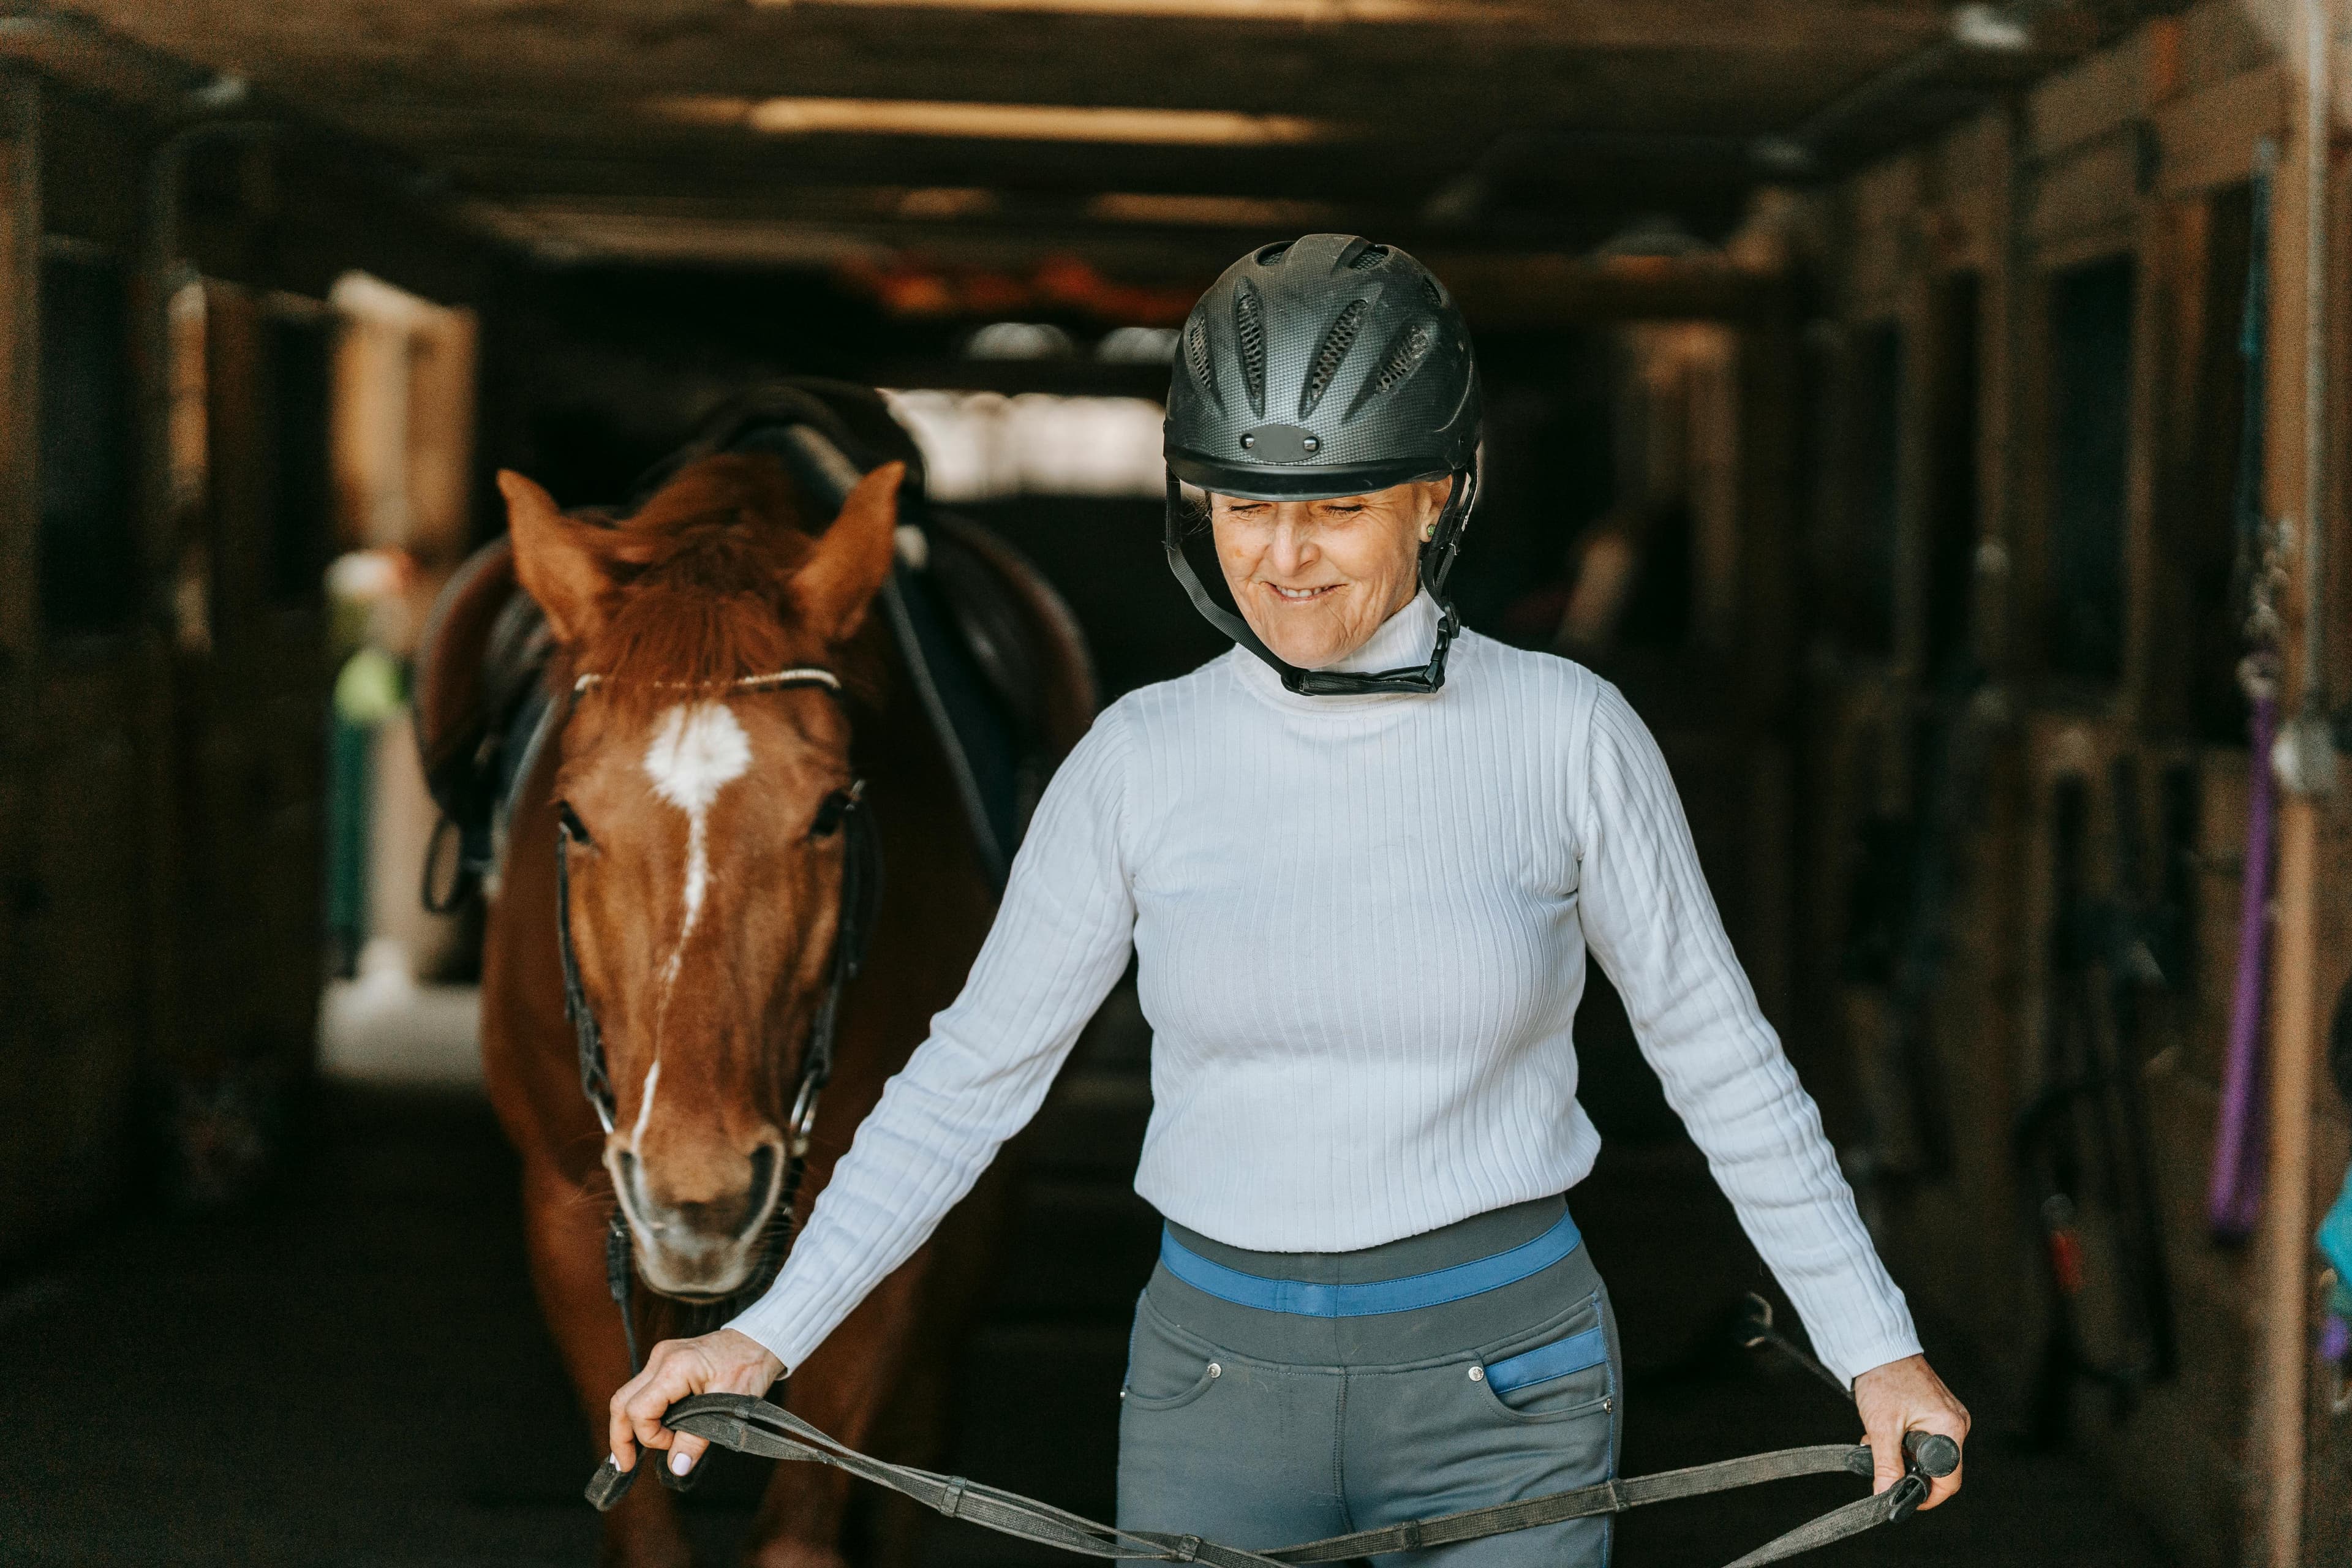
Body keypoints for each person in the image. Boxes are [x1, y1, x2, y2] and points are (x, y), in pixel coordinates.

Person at [606, 234, 1968, 1564]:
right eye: (1246, 504)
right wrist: (763, 1330)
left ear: (1440, 492)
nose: (1286, 558)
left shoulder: (1570, 732)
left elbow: (1720, 1056)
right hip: (1216, 1386)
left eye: (1339, 506)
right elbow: (969, 1078)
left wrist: (1876, 1347)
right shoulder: (1141, 755)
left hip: (1511, 1382)